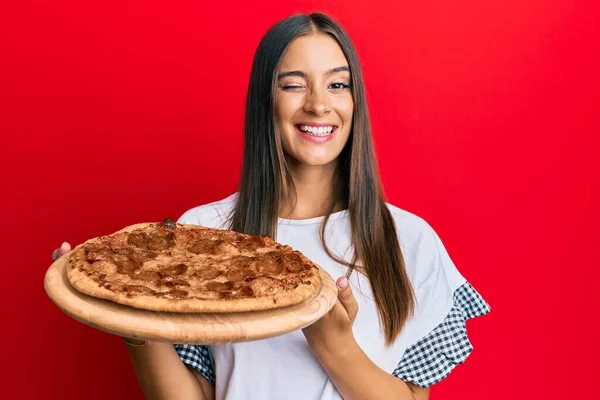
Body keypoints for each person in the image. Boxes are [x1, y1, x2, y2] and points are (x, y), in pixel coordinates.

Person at [53, 12, 490, 400]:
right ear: (267, 100)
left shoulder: (408, 239)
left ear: (355, 102)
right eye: (294, 85)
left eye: (338, 84)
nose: (319, 104)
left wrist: (334, 344)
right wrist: (134, 318)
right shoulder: (200, 236)